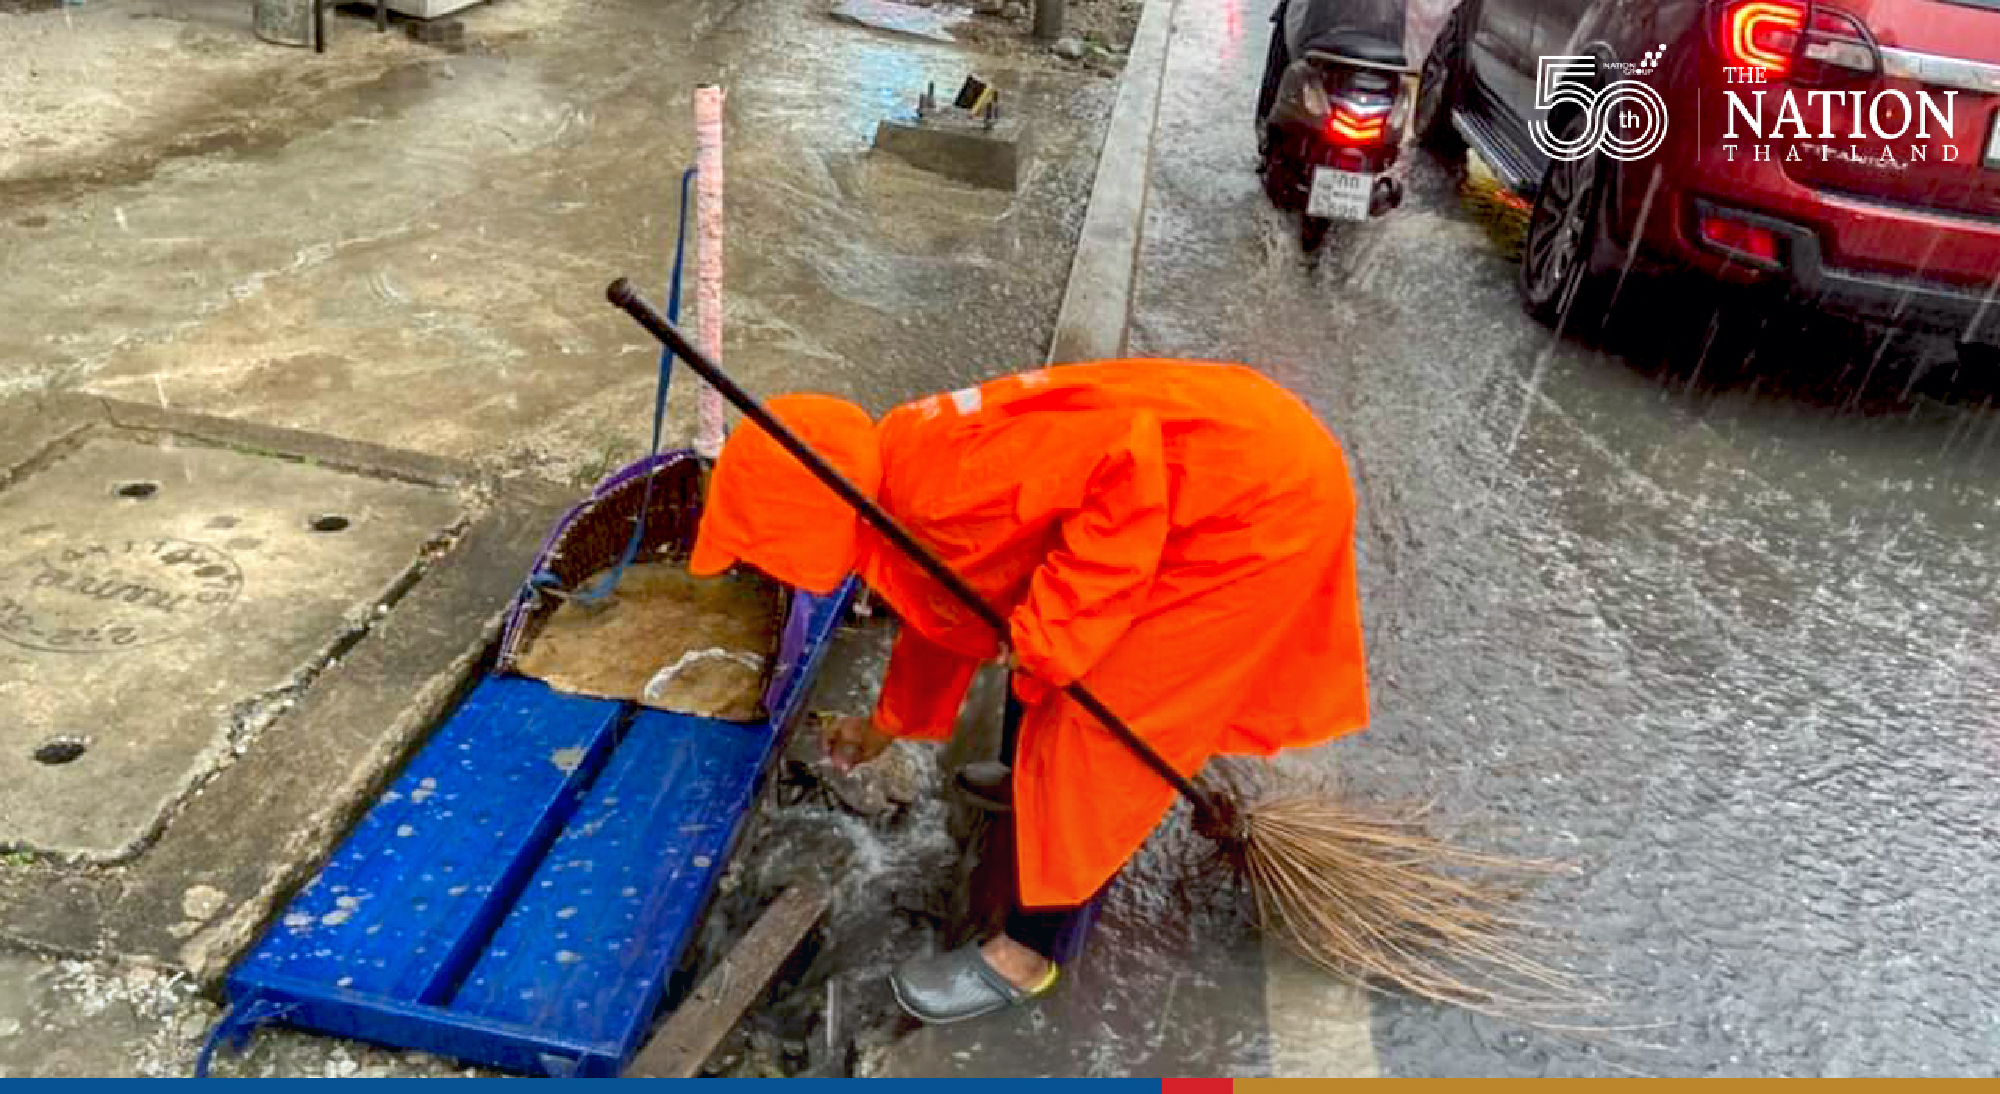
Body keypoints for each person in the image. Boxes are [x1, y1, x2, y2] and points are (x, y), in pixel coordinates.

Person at [687, 360, 1370, 1024]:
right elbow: (950, 607)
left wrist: (1053, 633)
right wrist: (885, 726)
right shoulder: (896, 470)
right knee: (1039, 649)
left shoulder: (941, 490)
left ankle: (1030, 951)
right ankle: (1027, 793)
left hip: (1254, 506)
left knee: (1091, 727)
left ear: (801, 516)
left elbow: (1125, 468)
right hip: (1232, 459)